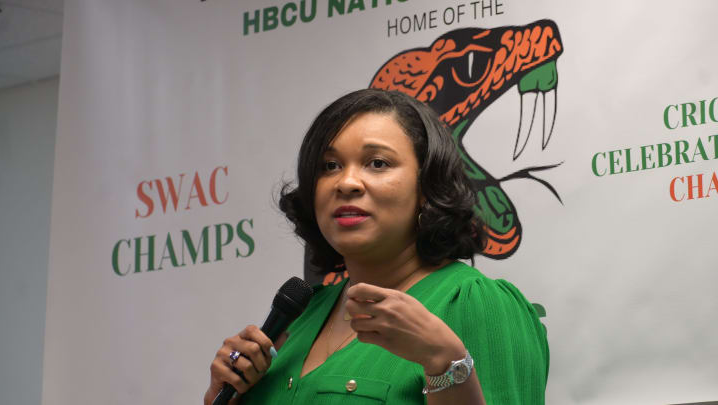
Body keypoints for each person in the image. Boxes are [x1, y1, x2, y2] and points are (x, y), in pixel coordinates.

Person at [204, 89, 549, 405]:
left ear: (427, 185)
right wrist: (222, 397)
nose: (347, 182)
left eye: (378, 163)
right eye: (330, 166)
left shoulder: (476, 303)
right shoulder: (302, 315)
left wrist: (445, 363)